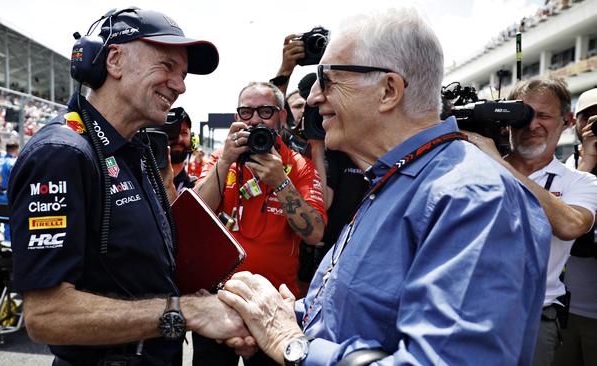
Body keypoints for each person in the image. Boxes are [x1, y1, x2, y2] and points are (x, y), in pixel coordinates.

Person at [218, 8, 551, 365]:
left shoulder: (473, 199)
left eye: (327, 80)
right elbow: (354, 312)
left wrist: (292, 344)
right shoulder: (394, 181)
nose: (314, 99)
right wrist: (282, 315)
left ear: (388, 90)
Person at [8, 8, 251, 366]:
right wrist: (186, 311)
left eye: (182, 75)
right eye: (167, 66)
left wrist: (217, 305)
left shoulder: (139, 150)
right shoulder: (61, 154)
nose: (180, 85)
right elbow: (47, 316)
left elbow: (139, 271)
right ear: (115, 60)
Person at [193, 81, 326, 365]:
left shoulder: (298, 165)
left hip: (274, 307)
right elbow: (197, 215)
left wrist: (281, 183)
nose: (254, 119)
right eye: (246, 111)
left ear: (281, 116)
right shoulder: (221, 158)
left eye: (265, 111)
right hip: (218, 301)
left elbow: (314, 233)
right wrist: (226, 159)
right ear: (236, 117)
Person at [467, 79, 597, 366]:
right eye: (522, 114)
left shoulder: (581, 181)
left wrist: (497, 163)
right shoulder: (474, 166)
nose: (531, 124)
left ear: (567, 121)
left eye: (544, 115)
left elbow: (571, 225)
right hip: (468, 314)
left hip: (534, 320)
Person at [553, 87, 597, 366]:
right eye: (588, 118)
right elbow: (566, 225)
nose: (594, 126)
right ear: (575, 123)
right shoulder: (564, 171)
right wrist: (589, 163)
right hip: (565, 312)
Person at [0, 142, 19, 242]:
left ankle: (6, 243)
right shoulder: (13, 162)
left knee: (3, 221)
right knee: (10, 222)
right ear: (16, 150)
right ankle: (10, 245)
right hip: (9, 195)